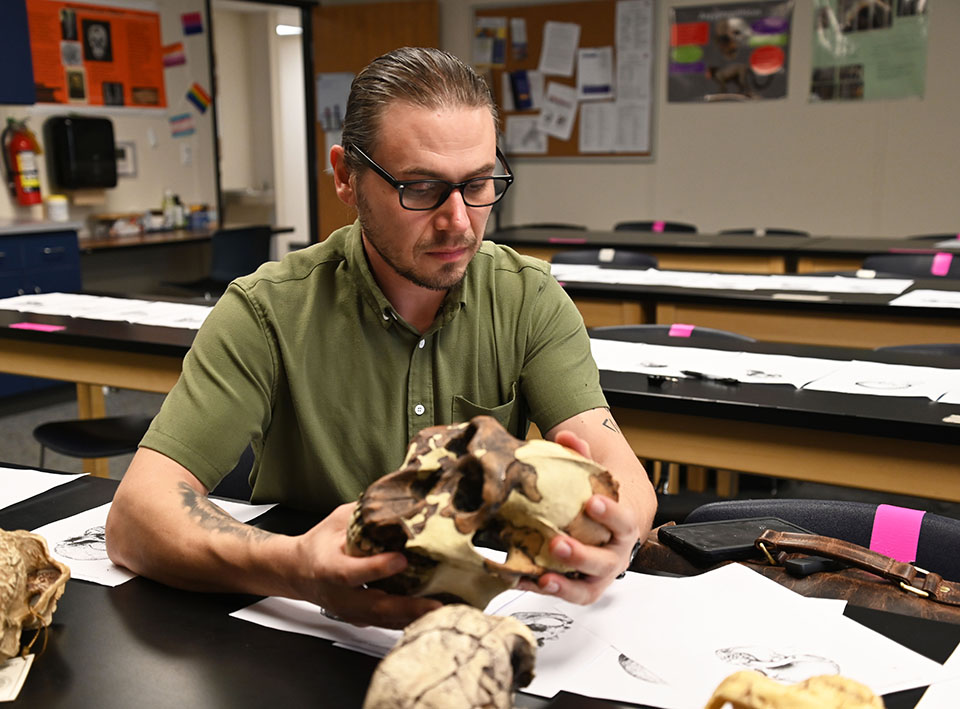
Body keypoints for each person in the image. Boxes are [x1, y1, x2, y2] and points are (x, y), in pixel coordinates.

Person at [106, 47, 656, 629]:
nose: (458, 220)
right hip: (298, 628)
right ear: (346, 177)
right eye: (420, 188)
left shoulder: (528, 299)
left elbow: (625, 479)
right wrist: (294, 566)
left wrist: (612, 531)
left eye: (478, 184)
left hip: (473, 625)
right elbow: (137, 516)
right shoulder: (267, 311)